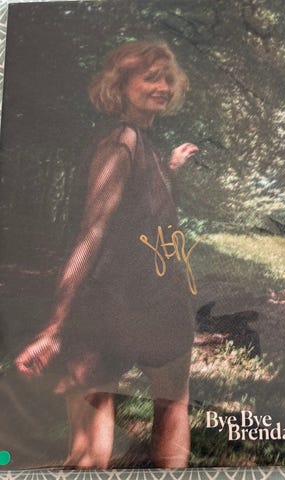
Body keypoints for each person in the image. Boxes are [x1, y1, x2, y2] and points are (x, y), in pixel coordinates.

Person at [14, 41, 198, 468]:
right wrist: (55, 324)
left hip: (149, 301)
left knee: (161, 411)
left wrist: (170, 170)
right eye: (150, 77)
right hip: (117, 302)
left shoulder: (141, 143)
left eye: (167, 79)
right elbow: (92, 232)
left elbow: (143, 212)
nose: (163, 86)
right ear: (120, 85)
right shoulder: (122, 141)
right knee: (156, 413)